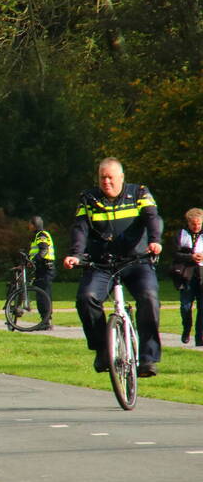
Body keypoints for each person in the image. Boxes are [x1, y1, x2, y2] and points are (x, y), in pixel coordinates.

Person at [62, 157, 163, 377]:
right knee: (86, 297)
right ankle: (102, 350)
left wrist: (155, 241)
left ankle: (148, 358)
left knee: (149, 297)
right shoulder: (88, 199)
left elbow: (152, 218)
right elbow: (80, 229)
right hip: (102, 264)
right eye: (102, 177)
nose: (106, 182)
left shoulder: (139, 193)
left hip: (136, 262)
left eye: (110, 177)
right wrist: (75, 255)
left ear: (121, 178)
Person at [171, 208, 203, 346]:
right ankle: (186, 328)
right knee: (185, 307)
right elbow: (174, 253)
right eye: (193, 224)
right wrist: (190, 257)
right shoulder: (180, 234)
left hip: (201, 274)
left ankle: (200, 336)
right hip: (187, 275)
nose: (196, 227)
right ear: (188, 223)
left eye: (199, 224)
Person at [28, 215, 55, 329]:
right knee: (42, 295)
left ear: (34, 225)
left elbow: (43, 249)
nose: (28, 226)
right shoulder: (37, 236)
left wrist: (33, 261)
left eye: (29, 224)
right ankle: (45, 320)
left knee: (43, 296)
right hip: (42, 269)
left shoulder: (41, 235)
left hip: (45, 268)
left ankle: (46, 321)